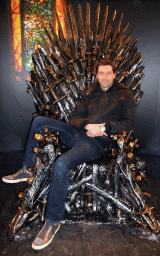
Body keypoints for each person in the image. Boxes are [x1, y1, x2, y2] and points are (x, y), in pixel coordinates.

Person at [2, 58, 135, 250]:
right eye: (101, 73)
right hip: (78, 133)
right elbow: (74, 118)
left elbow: (129, 123)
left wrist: (104, 127)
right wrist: (87, 125)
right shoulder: (89, 93)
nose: (105, 77)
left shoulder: (125, 95)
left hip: (96, 142)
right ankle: (28, 168)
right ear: (96, 75)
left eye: (108, 73)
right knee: (39, 121)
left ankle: (53, 222)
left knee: (62, 164)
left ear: (114, 74)